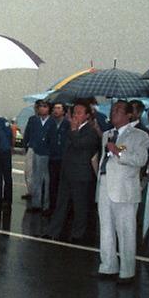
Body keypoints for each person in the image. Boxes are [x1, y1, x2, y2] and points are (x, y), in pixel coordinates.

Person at [95, 100, 149, 283]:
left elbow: (141, 159)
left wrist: (118, 152)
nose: (114, 113)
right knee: (106, 228)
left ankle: (127, 270)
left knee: (125, 231)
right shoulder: (107, 134)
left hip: (124, 189)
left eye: (118, 110)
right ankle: (108, 265)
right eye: (113, 109)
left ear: (129, 115)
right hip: (105, 185)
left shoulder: (139, 136)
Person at [45, 101, 101, 243]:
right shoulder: (70, 128)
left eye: (79, 113)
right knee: (61, 204)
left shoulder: (91, 131)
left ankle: (78, 234)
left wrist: (74, 130)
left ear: (87, 115)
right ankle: (53, 231)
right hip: (67, 171)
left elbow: (80, 145)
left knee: (80, 206)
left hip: (81, 174)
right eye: (74, 112)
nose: (76, 115)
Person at [24, 100, 55, 213]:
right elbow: (29, 134)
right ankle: (36, 203)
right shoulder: (35, 120)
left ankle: (46, 205)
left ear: (49, 109)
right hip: (36, 151)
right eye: (40, 106)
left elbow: (53, 139)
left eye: (45, 106)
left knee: (46, 180)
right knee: (36, 177)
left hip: (47, 154)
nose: (42, 108)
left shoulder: (52, 122)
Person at [48, 102, 70, 215]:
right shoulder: (51, 122)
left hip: (63, 158)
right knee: (52, 183)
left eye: (59, 108)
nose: (56, 110)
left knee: (62, 185)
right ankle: (52, 207)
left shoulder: (67, 124)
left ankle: (62, 209)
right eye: (55, 108)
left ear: (63, 111)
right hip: (52, 157)